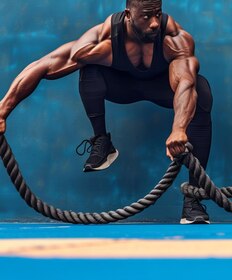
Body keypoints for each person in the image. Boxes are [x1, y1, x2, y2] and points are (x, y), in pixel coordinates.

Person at [0, 0, 212, 224]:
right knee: (89, 68)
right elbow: (44, 65)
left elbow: (185, 83)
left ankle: (193, 202)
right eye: (147, 17)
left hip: (163, 88)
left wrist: (178, 129)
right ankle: (102, 141)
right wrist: (3, 109)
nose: (154, 24)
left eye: (158, 15)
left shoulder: (174, 39)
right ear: (129, 15)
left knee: (201, 91)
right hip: (121, 87)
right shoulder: (104, 38)